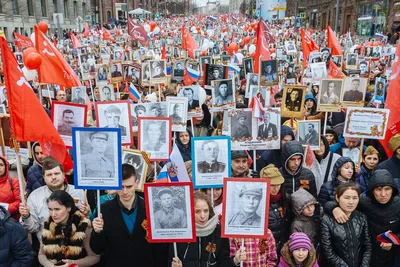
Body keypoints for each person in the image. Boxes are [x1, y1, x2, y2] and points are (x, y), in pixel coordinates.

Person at [91, 164, 168, 266]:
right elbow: (97, 249)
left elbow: (160, 249)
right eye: (121, 187)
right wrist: (97, 232)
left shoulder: (152, 209)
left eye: (129, 186)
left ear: (137, 183)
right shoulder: (103, 210)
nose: (125, 191)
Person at [325, 169, 400, 266]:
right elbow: (330, 203)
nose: (383, 194)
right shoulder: (364, 201)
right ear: (372, 190)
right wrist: (334, 208)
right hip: (366, 255)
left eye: (387, 189)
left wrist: (394, 240)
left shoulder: (398, 204)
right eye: (378, 189)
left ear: (393, 189)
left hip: (392, 255)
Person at [19, 156, 87, 241]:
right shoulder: (35, 197)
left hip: (76, 247)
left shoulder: (78, 191)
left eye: (57, 173)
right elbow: (32, 229)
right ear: (44, 177)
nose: (53, 177)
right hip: (48, 248)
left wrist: (86, 213)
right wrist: (26, 216)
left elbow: (87, 222)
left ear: (63, 174)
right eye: (49, 174)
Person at [172, 191, 244, 267]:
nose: (203, 216)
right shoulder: (180, 231)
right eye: (197, 211)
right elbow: (171, 258)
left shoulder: (218, 229)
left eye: (206, 211)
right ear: (189, 211)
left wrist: (235, 260)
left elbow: (223, 261)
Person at [39, 191, 99, 266]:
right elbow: (41, 254)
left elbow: (95, 257)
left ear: (68, 208)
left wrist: (73, 263)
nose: (53, 214)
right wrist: (50, 265)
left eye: (57, 209)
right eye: (50, 209)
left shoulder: (83, 225)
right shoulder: (48, 225)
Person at [321, 182, 371, 267]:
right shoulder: (327, 219)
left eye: (355, 198)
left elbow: (367, 246)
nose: (351, 202)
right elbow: (328, 251)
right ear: (337, 197)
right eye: (347, 198)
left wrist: (364, 265)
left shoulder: (361, 217)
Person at [261, 164, 291, 255]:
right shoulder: (258, 201)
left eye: (279, 185)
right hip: (265, 246)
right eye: (272, 185)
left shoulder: (285, 198)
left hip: (282, 244)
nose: (276, 188)